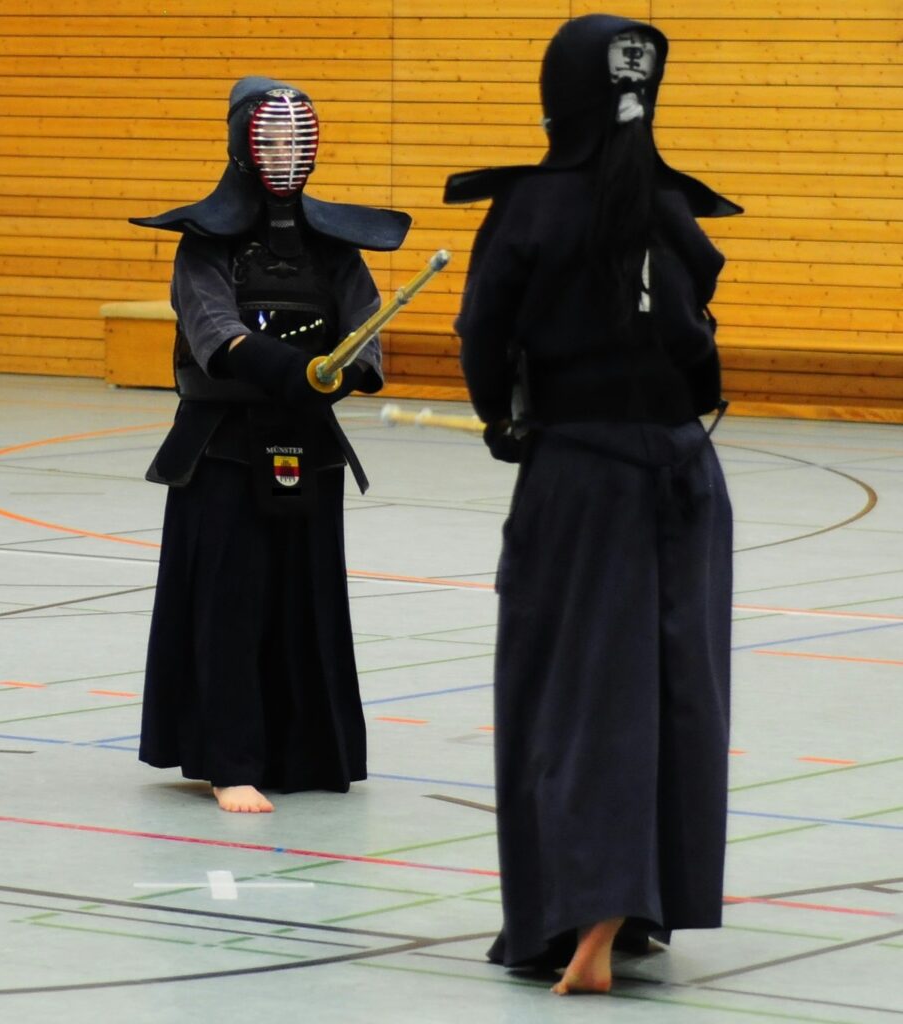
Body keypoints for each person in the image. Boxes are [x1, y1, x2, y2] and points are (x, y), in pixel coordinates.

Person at [445, 15, 741, 994]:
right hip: (684, 476)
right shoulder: (669, 205)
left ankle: (579, 915)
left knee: (570, 697)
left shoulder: (531, 208)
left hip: (581, 478)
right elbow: (698, 350)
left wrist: (503, 417)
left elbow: (482, 334)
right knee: (671, 693)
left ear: (556, 96)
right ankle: (645, 907)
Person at [130, 77, 411, 813]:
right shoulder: (205, 246)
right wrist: (292, 370)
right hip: (223, 447)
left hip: (307, 446)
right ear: (243, 145)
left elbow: (364, 325)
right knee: (230, 602)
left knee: (305, 603)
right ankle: (229, 762)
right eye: (272, 139)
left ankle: (301, 753)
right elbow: (215, 333)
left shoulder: (333, 248)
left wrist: (350, 371)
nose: (286, 153)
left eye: (297, 139)